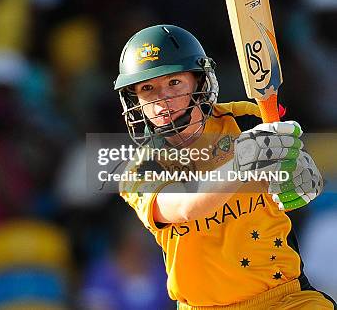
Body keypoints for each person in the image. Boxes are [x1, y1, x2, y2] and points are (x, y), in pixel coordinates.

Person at [115, 25, 335, 309]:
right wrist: (244, 161)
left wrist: (302, 174)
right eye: (148, 88)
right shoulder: (139, 168)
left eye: (174, 83)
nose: (163, 99)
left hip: (285, 298)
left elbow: (302, 179)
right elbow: (185, 207)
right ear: (135, 100)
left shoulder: (247, 120)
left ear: (199, 82)